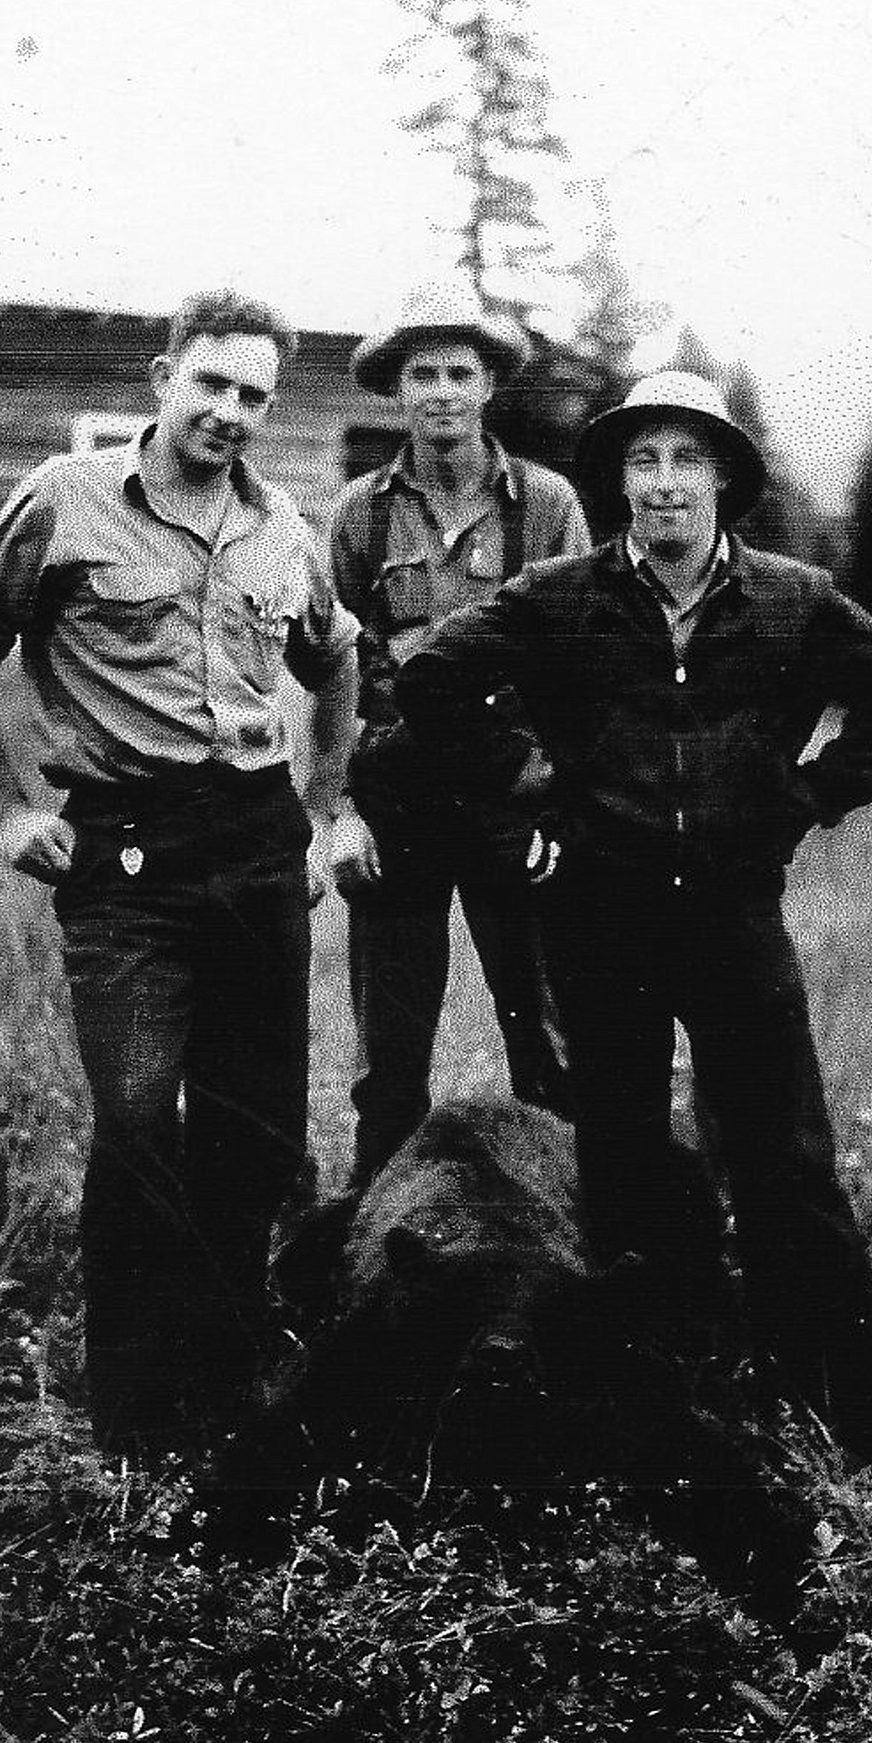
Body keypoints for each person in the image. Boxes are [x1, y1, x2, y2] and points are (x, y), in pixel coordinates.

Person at [394, 369, 872, 1493]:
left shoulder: (793, 599)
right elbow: (435, 683)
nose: (662, 485)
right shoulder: (560, 597)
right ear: (617, 484)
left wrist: (806, 796)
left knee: (788, 1159)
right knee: (623, 1158)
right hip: (601, 919)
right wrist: (530, 786)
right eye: (640, 462)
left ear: (724, 480)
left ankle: (860, 1406)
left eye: (684, 460)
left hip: (734, 916)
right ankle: (658, 1391)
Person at [0, 288, 359, 1468]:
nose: (230, 411)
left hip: (260, 846)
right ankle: (136, 1413)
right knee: (136, 1121)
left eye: (253, 394)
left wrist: (323, 810)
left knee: (255, 1129)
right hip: (127, 856)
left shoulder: (285, 529)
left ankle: (227, 1377)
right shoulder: (66, 501)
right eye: (210, 383)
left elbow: (337, 654)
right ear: (164, 378)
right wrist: (7, 804)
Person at [328, 282, 589, 1189]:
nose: (441, 391)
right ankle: (369, 1253)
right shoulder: (359, 513)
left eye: (460, 372)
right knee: (389, 1060)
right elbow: (328, 674)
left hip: (510, 794)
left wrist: (561, 808)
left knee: (549, 1040)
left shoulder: (546, 506)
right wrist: (337, 813)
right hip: (395, 799)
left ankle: (569, 1255)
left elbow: (577, 672)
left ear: (488, 388)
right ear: (398, 392)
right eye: (423, 373)